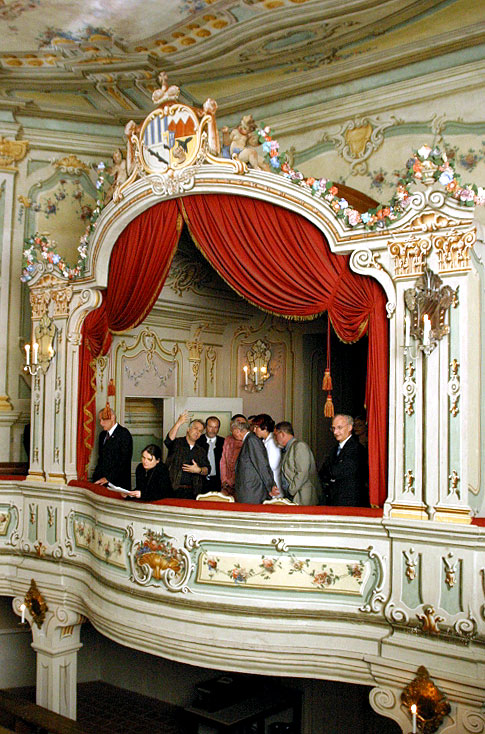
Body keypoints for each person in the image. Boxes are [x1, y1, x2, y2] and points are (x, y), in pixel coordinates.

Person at [319, 414, 369, 507]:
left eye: (339, 428)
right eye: (333, 428)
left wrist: (331, 472)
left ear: (350, 427)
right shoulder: (334, 449)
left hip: (349, 502)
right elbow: (323, 472)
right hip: (334, 500)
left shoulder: (356, 448)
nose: (335, 432)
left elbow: (338, 472)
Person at [164, 411, 211, 499]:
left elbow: (207, 469)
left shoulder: (201, 450)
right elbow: (168, 440)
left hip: (194, 492)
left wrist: (199, 470)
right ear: (188, 429)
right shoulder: (177, 443)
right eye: (195, 428)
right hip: (173, 490)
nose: (197, 432)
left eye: (200, 431)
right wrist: (178, 423)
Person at [274, 422, 321, 505]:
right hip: (295, 496)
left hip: (302, 496)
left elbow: (302, 472)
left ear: (282, 434)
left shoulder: (299, 446)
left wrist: (291, 491)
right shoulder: (289, 448)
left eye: (275, 435)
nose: (275, 438)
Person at [232, 419, 276, 504]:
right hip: (250, 491)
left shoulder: (251, 440)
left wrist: (270, 486)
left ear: (237, 431)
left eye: (232, 431)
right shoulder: (249, 440)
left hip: (253, 492)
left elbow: (261, 464)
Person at [92, 406, 133, 490]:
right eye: (100, 420)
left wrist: (108, 478)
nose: (101, 423)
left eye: (103, 420)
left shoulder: (124, 434)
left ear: (112, 417)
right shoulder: (102, 435)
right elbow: (101, 460)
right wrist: (96, 479)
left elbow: (124, 461)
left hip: (118, 484)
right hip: (102, 484)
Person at [252, 414, 282, 493]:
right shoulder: (265, 441)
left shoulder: (272, 443)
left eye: (256, 427)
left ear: (264, 428)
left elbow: (272, 465)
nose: (254, 430)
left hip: (274, 483)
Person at [196, 416, 225, 492]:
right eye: (210, 427)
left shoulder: (224, 442)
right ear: (205, 427)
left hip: (218, 481)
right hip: (199, 480)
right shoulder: (198, 441)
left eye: (216, 427)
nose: (213, 430)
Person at [220, 414, 246, 496]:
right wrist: (224, 480)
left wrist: (231, 481)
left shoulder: (249, 440)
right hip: (226, 484)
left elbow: (244, 466)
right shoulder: (228, 439)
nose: (240, 426)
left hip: (241, 483)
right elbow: (223, 461)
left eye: (242, 424)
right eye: (237, 423)